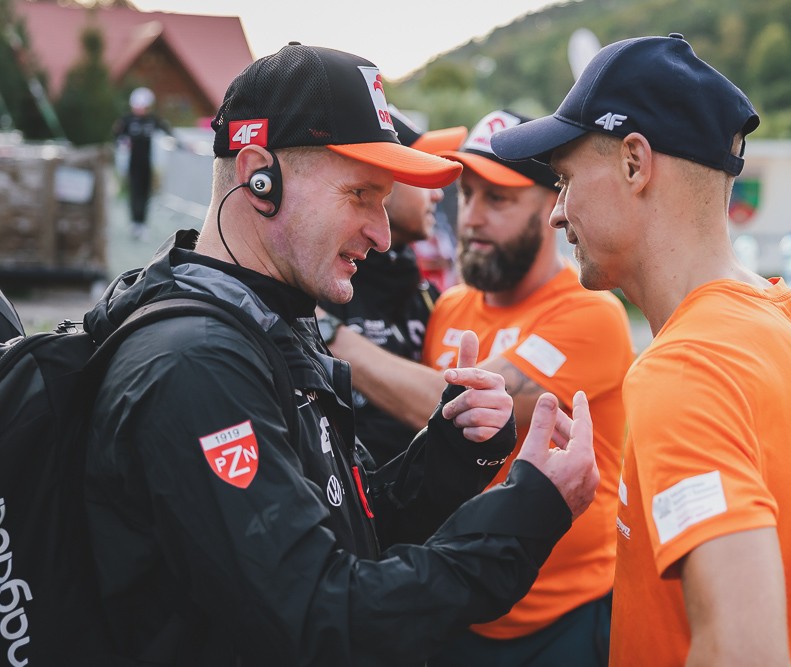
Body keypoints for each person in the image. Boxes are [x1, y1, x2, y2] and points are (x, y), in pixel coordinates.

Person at [83, 43, 599, 666]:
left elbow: (350, 521)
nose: (382, 234)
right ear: (259, 177)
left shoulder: (266, 320)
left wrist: (452, 450)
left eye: (384, 201)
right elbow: (323, 619)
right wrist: (530, 511)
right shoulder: (195, 364)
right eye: (360, 194)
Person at [491, 34, 791, 666]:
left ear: (634, 163)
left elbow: (744, 649)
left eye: (566, 180)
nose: (557, 214)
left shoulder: (684, 370)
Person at [328, 109, 634, 666]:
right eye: (466, 196)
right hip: (457, 605)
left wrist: (326, 334)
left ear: (552, 204)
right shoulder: (449, 307)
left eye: (498, 200)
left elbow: (458, 410)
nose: (471, 218)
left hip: (560, 619)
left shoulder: (591, 315)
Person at [315, 106, 467, 466]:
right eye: (420, 169)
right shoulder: (319, 282)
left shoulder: (424, 294)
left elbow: (451, 410)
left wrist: (327, 331)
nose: (437, 193)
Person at [112, 86, 173, 240]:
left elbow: (169, 132)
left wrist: (184, 145)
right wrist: (123, 145)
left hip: (147, 163)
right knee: (134, 193)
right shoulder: (126, 120)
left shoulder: (152, 120)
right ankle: (134, 222)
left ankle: (143, 223)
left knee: (145, 194)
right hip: (132, 164)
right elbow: (116, 137)